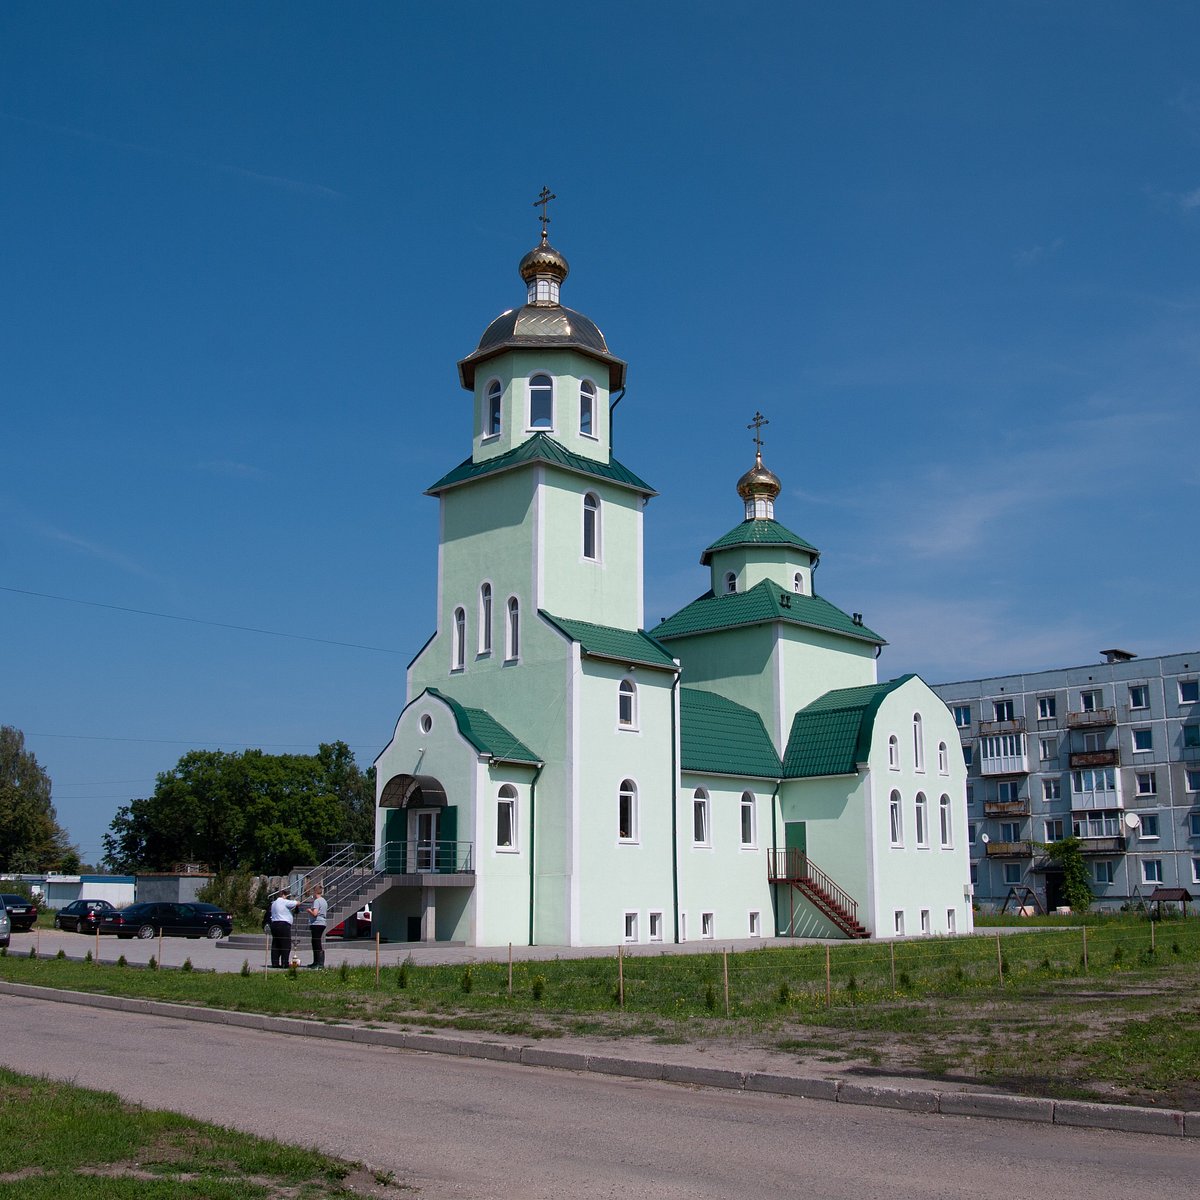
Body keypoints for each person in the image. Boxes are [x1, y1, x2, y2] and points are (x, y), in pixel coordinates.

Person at [268, 889, 301, 968]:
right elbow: (297, 903)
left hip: (274, 924)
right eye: (286, 896)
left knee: (276, 944)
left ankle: (275, 963)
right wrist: (296, 902)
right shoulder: (283, 901)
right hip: (283, 924)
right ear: (283, 895)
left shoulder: (274, 903)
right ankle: (284, 963)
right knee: (285, 945)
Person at [306, 884, 328, 969]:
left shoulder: (317, 901)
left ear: (315, 892)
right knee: (316, 942)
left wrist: (309, 910)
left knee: (316, 943)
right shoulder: (324, 901)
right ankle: (316, 962)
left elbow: (315, 913)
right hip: (322, 922)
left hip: (317, 923)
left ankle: (318, 963)